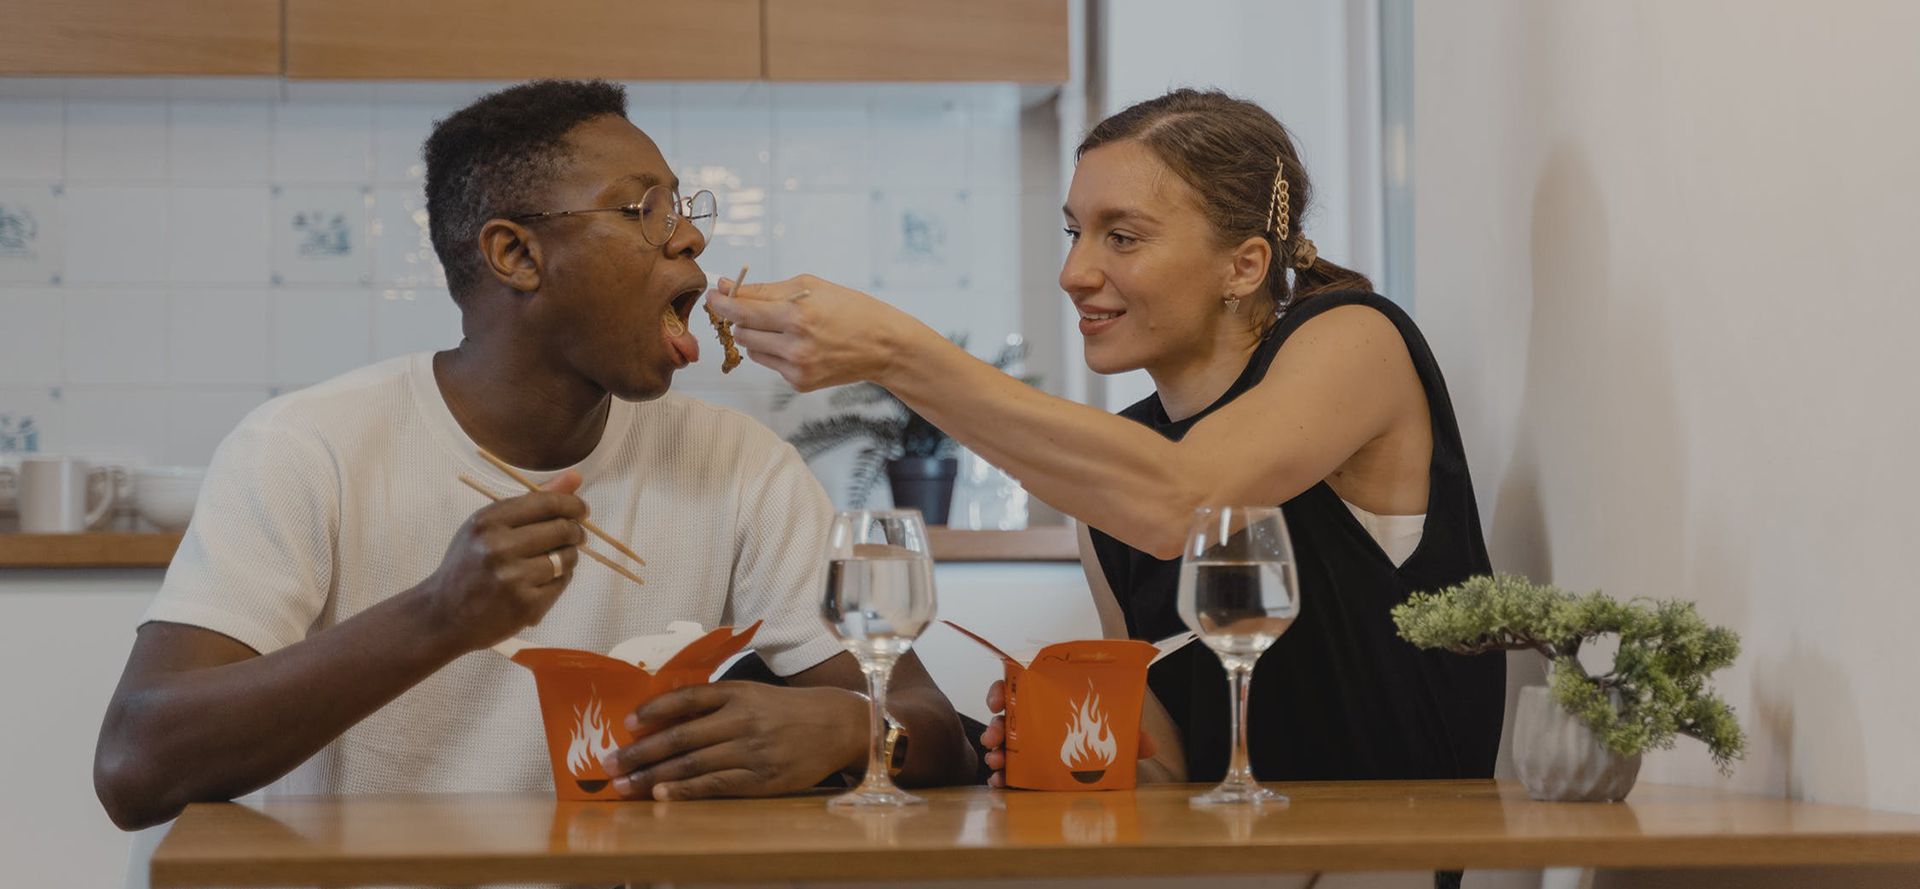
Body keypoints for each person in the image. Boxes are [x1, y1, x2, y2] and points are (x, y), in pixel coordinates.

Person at [92, 79, 973, 831]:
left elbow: (931, 720)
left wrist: (845, 730)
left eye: (684, 210)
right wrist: (440, 615)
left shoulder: (736, 465)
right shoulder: (307, 449)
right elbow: (137, 765)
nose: (691, 240)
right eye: (644, 211)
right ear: (516, 254)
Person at [707, 88, 1506, 787]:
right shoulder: (1115, 482)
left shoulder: (1355, 337)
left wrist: (896, 351)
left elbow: (1184, 500)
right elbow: (1165, 768)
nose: (1075, 272)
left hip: (1391, 857)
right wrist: (1063, 744)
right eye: (1074, 233)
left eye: (1121, 236)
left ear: (1245, 264)